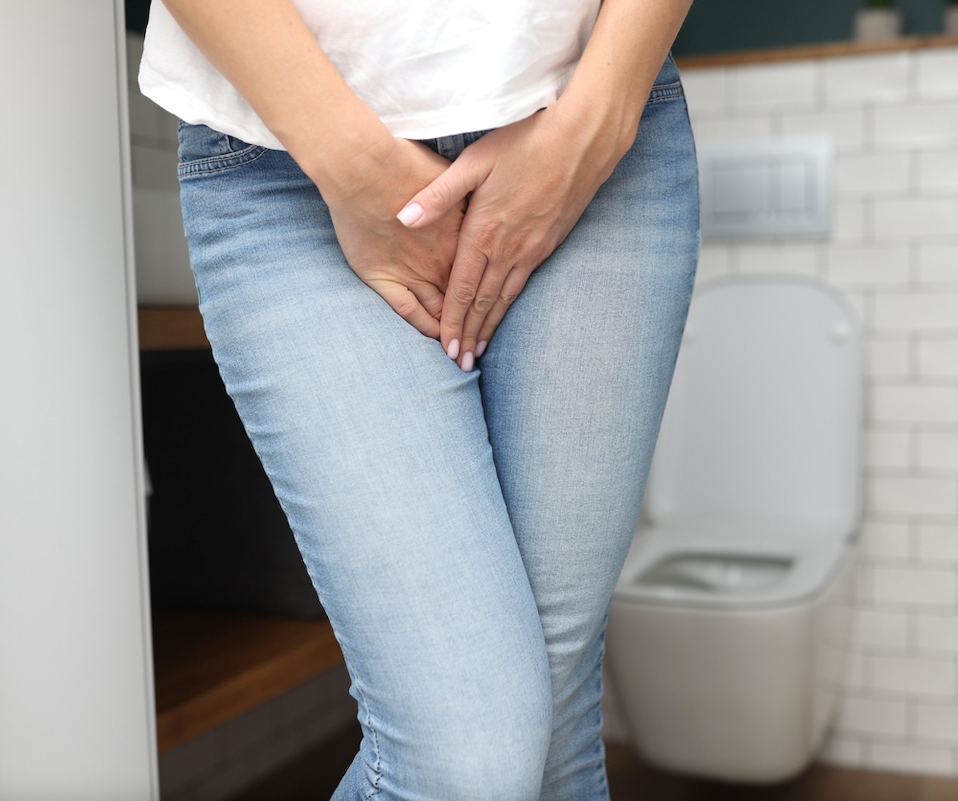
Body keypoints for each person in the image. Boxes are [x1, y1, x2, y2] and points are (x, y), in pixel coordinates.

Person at [140, 0, 699, 798]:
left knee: (556, 729)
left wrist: (595, 120)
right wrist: (354, 166)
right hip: (285, 159)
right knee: (465, 759)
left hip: (589, 132)